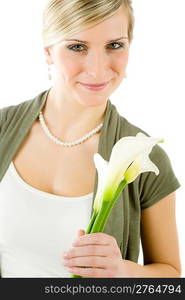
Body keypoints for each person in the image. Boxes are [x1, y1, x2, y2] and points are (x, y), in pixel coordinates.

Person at [0, 0, 181, 278]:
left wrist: (123, 271)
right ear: (48, 51)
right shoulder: (3, 129)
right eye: (77, 47)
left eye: (114, 45)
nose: (97, 70)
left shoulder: (143, 155)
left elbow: (170, 276)